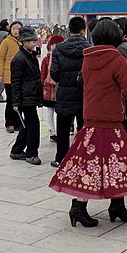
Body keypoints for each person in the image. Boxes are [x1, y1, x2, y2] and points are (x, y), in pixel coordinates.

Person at [49, 20, 127, 227]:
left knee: (97, 164)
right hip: (110, 120)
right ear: (115, 37)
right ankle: (80, 207)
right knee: (116, 163)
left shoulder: (88, 58)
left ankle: (115, 204)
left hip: (92, 118)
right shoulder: (117, 60)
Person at [51, 17, 91, 168]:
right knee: (84, 129)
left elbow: (54, 75)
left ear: (69, 29)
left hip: (65, 96)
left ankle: (61, 158)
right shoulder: (89, 49)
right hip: (84, 95)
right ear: (83, 30)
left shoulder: (59, 49)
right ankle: (83, 158)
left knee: (62, 129)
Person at [10, 27, 43, 165]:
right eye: (32, 41)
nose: (34, 43)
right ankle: (31, 153)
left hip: (32, 95)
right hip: (25, 98)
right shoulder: (19, 59)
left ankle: (17, 150)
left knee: (28, 125)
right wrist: (16, 102)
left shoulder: (31, 55)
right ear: (24, 42)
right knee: (33, 125)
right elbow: (15, 82)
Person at [0, 21, 22, 133]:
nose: (16, 31)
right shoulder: (6, 41)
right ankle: (10, 123)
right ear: (10, 30)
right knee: (11, 100)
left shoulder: (23, 42)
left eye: (18, 29)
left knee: (20, 100)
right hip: (8, 75)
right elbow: (0, 58)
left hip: (21, 76)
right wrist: (0, 74)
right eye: (14, 29)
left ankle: (18, 122)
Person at [41, 35, 64, 144]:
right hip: (49, 89)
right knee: (50, 111)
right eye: (53, 44)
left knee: (60, 112)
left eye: (57, 44)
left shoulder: (63, 58)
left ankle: (61, 131)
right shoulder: (46, 59)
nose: (55, 47)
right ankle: (52, 131)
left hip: (60, 88)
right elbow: (43, 74)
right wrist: (42, 87)